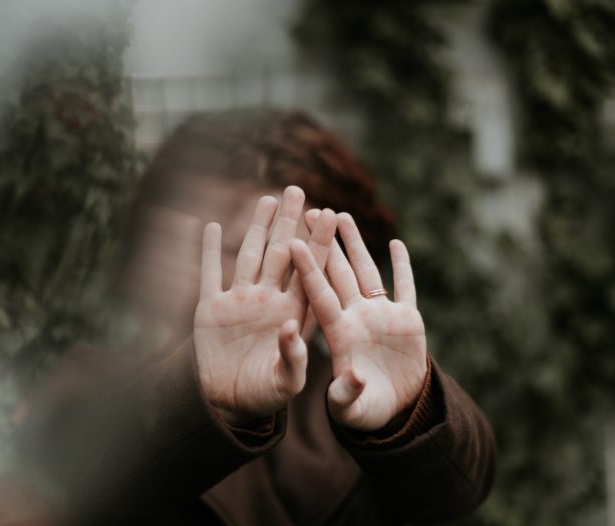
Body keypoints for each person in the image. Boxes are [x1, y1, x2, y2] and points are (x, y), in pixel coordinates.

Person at [25, 109, 496, 525]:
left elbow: (457, 492)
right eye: (245, 248)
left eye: (303, 257)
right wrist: (209, 401)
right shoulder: (90, 384)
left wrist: (409, 413)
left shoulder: (350, 404)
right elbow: (74, 483)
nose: (279, 284)